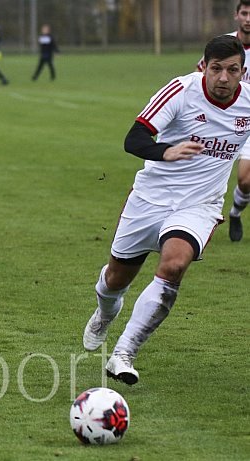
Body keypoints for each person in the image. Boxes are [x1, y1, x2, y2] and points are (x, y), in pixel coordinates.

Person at [82, 34, 250, 385]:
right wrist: (165, 151)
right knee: (114, 280)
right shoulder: (180, 90)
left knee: (174, 265)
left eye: (232, 70)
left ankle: (124, 353)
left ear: (242, 71)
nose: (223, 78)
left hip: (198, 206)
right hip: (149, 200)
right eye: (216, 69)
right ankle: (104, 313)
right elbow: (135, 138)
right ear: (204, 67)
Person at [196, 0, 250, 241]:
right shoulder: (225, 45)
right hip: (226, 118)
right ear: (236, 15)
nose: (249, 19)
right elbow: (200, 76)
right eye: (245, 13)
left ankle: (235, 212)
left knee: (246, 180)